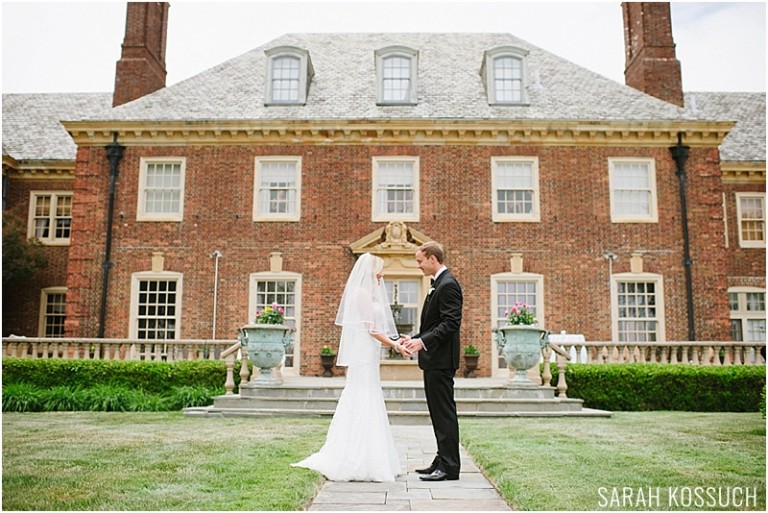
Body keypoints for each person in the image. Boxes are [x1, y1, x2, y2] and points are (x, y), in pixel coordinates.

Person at [292, 253, 410, 482]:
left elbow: (377, 329)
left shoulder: (369, 293)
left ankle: (374, 457)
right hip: (364, 355)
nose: (382, 274)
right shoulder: (361, 294)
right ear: (370, 271)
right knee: (362, 396)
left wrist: (395, 342)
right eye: (380, 270)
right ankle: (358, 458)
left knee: (370, 395)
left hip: (370, 353)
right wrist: (395, 344)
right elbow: (372, 329)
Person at [403, 241, 463, 481]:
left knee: (444, 413)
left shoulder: (448, 285)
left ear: (432, 259)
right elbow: (434, 324)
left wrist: (422, 342)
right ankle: (442, 459)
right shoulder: (438, 284)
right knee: (438, 414)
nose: (418, 266)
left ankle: (449, 467)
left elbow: (450, 323)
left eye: (420, 261)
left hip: (441, 360)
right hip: (434, 360)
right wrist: (415, 338)